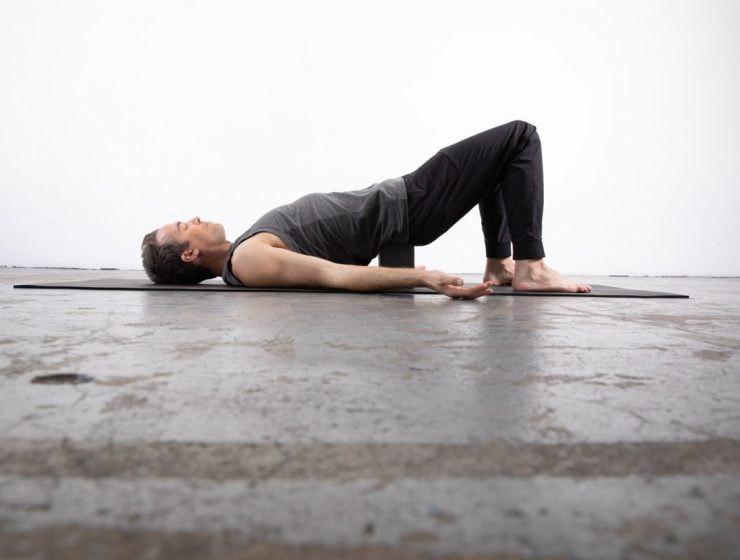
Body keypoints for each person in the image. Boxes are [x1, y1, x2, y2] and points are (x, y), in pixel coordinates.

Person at [141, 120, 591, 299]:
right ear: (189, 254)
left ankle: (500, 265)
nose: (194, 218)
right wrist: (423, 277)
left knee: (495, 165)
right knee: (519, 137)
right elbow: (334, 276)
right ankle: (531, 267)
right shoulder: (247, 260)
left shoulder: (244, 251)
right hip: (407, 205)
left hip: (403, 200)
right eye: (184, 225)